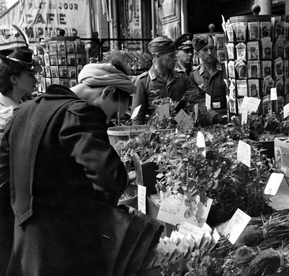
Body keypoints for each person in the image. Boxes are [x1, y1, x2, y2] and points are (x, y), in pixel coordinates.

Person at [0, 61, 135, 275]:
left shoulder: (23, 110)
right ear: (108, 92)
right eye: (112, 115)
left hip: (23, 245)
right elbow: (111, 177)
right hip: (67, 248)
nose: (108, 121)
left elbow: (4, 173)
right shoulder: (78, 112)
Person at [132, 36, 199, 125]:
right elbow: (137, 120)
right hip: (155, 133)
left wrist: (188, 126)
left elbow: (196, 100)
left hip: (181, 133)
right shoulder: (143, 82)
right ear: (157, 56)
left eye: (175, 55)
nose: (175, 59)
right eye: (171, 55)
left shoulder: (182, 77)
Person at [0, 47, 42, 139]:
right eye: (30, 75)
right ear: (14, 79)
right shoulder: (4, 116)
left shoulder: (20, 104)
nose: (35, 81)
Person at [190, 34, 227, 124]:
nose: (210, 53)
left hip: (226, 119)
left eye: (212, 48)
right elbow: (196, 102)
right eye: (205, 50)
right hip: (206, 122)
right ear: (197, 54)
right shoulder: (194, 75)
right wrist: (214, 117)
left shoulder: (226, 70)